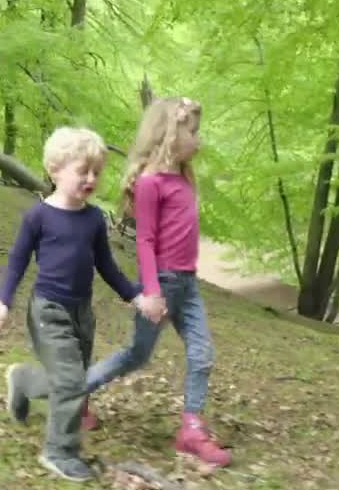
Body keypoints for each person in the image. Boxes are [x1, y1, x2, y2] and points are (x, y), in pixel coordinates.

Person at [0, 127, 166, 482]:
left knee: (72, 381)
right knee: (70, 381)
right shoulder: (37, 217)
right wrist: (2, 303)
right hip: (49, 311)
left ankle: (22, 380)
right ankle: (59, 451)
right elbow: (17, 262)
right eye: (83, 171)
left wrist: (136, 296)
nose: (91, 178)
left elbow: (107, 265)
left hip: (82, 313)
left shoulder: (94, 219)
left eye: (96, 172)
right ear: (56, 169)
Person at [83, 96, 231, 467]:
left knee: (202, 353)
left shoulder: (184, 177)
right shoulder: (150, 182)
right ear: (169, 132)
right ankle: (76, 392)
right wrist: (150, 290)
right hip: (161, 283)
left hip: (188, 284)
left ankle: (191, 428)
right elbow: (146, 240)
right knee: (137, 355)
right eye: (192, 131)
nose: (198, 139)